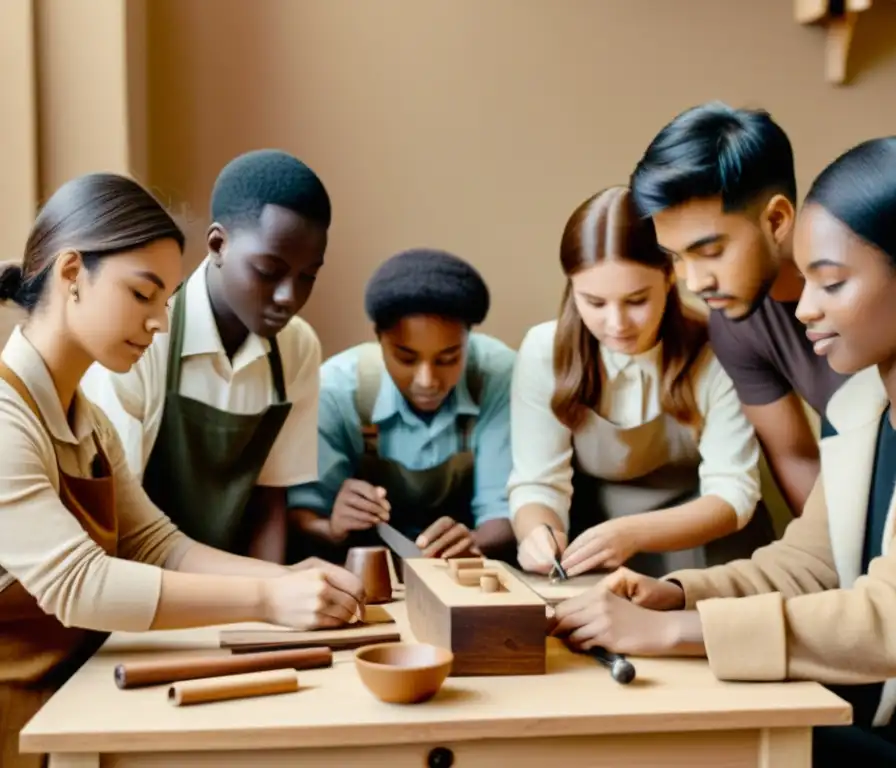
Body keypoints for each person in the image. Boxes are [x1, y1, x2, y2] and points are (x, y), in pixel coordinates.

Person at [551, 138, 896, 768]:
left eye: (830, 284)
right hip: (869, 717)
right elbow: (808, 565)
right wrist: (678, 595)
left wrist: (671, 634)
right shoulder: (864, 411)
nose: (803, 308)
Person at [0, 173, 363, 768]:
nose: (161, 322)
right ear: (71, 275)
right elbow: (79, 585)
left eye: (166, 301)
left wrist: (291, 580)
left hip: (77, 696)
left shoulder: (85, 417)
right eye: (142, 295)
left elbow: (156, 544)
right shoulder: (5, 416)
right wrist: (266, 602)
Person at [629, 101, 896, 519]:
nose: (694, 281)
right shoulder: (734, 328)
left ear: (778, 219)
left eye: (710, 252)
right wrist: (839, 567)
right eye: (675, 257)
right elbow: (798, 461)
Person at [509, 185, 773, 579]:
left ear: (670, 275)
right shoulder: (544, 351)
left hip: (710, 558)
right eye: (594, 302)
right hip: (593, 557)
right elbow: (538, 484)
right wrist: (538, 533)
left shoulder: (718, 349)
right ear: (572, 287)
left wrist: (632, 533)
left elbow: (734, 494)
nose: (616, 324)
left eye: (636, 300)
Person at [81, 149, 330, 563]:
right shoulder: (143, 336)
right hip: (137, 580)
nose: (289, 297)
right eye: (269, 271)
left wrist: (269, 612)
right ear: (217, 245)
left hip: (234, 588)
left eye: (308, 277)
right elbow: (120, 522)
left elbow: (270, 504)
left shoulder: (297, 347)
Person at [288, 248, 517, 562]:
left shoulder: (496, 375)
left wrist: (475, 543)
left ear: (469, 338)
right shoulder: (337, 388)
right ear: (378, 339)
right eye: (406, 358)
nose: (427, 380)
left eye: (449, 358)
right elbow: (302, 516)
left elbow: (503, 513)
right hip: (369, 572)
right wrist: (334, 526)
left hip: (465, 572)